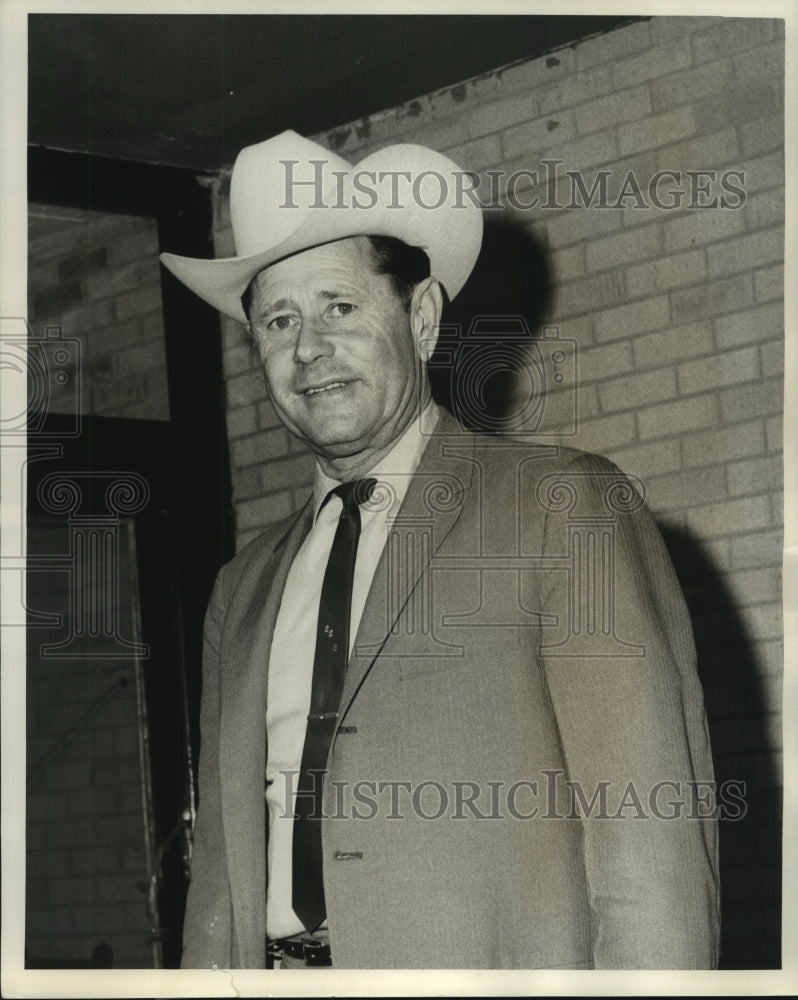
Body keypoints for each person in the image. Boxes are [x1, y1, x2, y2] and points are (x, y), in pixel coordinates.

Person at [160, 130, 720, 970]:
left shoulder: (563, 506)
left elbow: (651, 845)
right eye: (279, 320)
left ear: (420, 319)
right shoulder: (241, 589)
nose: (308, 347)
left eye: (339, 306)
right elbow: (220, 884)